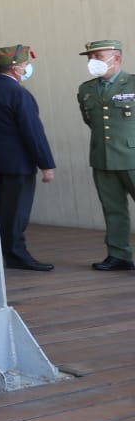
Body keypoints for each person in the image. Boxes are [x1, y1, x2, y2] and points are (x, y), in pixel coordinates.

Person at [0, 44, 56, 271]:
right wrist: (46, 164)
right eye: (25, 65)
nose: (27, 69)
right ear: (15, 69)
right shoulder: (19, 94)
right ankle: (17, 256)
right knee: (16, 215)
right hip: (18, 165)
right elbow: (33, 132)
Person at [76, 39, 135, 271]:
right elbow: (90, 120)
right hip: (102, 158)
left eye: (98, 57)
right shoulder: (86, 89)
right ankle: (119, 255)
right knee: (113, 209)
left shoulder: (132, 84)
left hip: (132, 157)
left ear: (116, 58)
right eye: (90, 58)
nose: (92, 62)